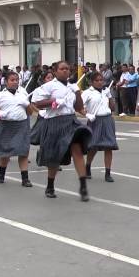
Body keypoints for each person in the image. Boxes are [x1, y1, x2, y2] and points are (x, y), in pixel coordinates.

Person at [31, 61, 92, 201]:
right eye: (62, 69)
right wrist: (54, 101)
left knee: (77, 149)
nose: (66, 71)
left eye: (67, 69)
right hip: (55, 122)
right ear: (55, 71)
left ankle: (83, 185)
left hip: (70, 121)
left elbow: (78, 107)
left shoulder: (71, 86)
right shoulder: (49, 86)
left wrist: (77, 93)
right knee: (54, 156)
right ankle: (50, 185)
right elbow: (36, 103)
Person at [0, 71, 32, 187]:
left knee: (23, 152)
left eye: (17, 80)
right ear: (6, 82)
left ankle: (25, 178)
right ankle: (1, 174)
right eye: (12, 80)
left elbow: (30, 112)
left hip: (21, 125)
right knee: (5, 152)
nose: (15, 82)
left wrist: (27, 104)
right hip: (5, 126)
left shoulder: (23, 93)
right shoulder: (0, 95)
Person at [82, 72, 118, 182]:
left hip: (107, 119)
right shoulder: (88, 93)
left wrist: (109, 96)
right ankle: (87, 166)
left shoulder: (105, 92)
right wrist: (87, 114)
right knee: (93, 146)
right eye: (97, 80)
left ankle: (108, 172)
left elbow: (112, 108)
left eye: (101, 80)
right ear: (92, 82)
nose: (99, 82)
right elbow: (78, 106)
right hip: (95, 120)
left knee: (109, 146)